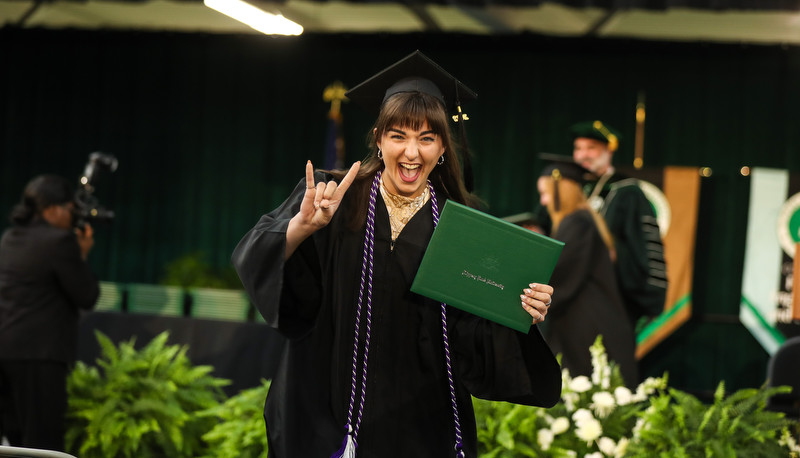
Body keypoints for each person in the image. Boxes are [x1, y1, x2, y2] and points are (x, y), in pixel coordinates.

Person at [232, 51, 562, 457]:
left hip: (422, 419)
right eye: (398, 135)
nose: (411, 152)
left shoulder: (465, 225)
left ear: (443, 147)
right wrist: (302, 228)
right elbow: (263, 262)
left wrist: (520, 307)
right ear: (378, 138)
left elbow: (473, 335)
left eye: (426, 138)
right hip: (329, 408)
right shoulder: (333, 197)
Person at [0, 174, 100, 451]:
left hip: (4, 350)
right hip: (39, 356)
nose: (72, 215)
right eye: (70, 209)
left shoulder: (10, 238)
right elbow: (87, 295)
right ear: (53, 209)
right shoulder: (59, 242)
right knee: (43, 444)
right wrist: (82, 253)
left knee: (14, 443)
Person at [536, 156, 638, 387]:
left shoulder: (578, 223)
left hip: (589, 325)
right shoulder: (582, 220)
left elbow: (561, 273)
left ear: (563, 191)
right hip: (590, 321)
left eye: (546, 193)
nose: (543, 201)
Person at [570, 120, 668, 328]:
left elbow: (643, 248)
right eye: (578, 148)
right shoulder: (571, 190)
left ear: (608, 151)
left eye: (591, 148)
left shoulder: (627, 192)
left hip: (612, 298)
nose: (582, 155)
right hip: (573, 296)